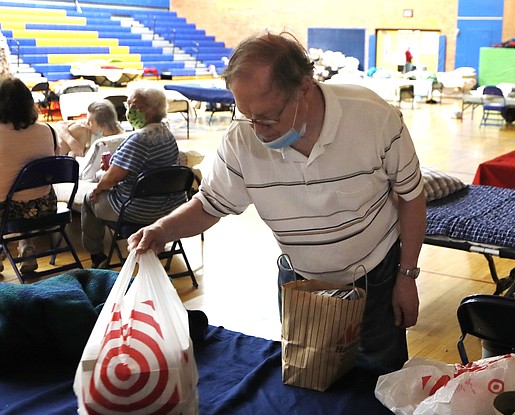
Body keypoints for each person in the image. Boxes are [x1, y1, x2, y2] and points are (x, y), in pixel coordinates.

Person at [128, 30, 426, 372]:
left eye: (268, 116)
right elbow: (210, 205)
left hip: (377, 275)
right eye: (246, 115)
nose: (257, 129)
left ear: (304, 87)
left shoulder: (373, 117)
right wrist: (161, 230)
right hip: (300, 279)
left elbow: (410, 196)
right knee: (309, 377)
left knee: (381, 378)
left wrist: (407, 276)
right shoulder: (241, 140)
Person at [81, 85, 182, 268]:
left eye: (136, 106)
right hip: (170, 207)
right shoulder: (167, 133)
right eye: (130, 105)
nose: (130, 110)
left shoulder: (139, 139)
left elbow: (111, 179)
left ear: (151, 110)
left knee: (88, 200)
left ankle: (96, 255)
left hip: (137, 209)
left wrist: (98, 187)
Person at [0, 77, 59, 274]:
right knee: (22, 191)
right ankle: (26, 247)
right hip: (45, 206)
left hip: (7, 211)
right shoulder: (48, 130)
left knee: (9, 195)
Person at [54, 99, 125, 157]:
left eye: (90, 122)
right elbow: (60, 125)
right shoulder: (88, 127)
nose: (86, 123)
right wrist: (70, 140)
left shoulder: (119, 141)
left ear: (103, 125)